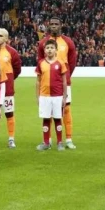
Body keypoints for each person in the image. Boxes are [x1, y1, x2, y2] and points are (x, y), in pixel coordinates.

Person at [37, 16, 77, 148]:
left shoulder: (68, 42)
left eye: (56, 24)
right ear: (49, 25)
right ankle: (48, 140)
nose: (54, 26)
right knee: (47, 112)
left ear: (61, 25)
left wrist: (65, 76)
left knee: (66, 109)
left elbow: (72, 62)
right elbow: (40, 61)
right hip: (47, 84)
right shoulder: (43, 43)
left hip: (63, 82)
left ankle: (68, 139)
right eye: (52, 24)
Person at [36, 40, 68, 151]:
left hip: (57, 96)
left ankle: (59, 142)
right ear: (44, 50)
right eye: (47, 48)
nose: (49, 50)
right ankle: (46, 143)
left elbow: (64, 81)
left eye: (52, 48)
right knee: (46, 118)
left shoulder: (60, 63)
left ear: (56, 50)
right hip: (44, 96)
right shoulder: (41, 63)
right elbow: (38, 81)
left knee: (57, 118)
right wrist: (38, 96)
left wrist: (64, 96)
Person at [0, 28, 22, 148]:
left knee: (9, 113)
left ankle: (11, 138)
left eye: (0, 36)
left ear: (6, 38)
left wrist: (9, 79)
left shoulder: (12, 52)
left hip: (7, 89)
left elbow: (17, 69)